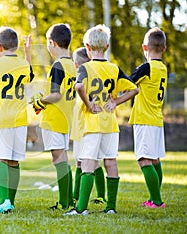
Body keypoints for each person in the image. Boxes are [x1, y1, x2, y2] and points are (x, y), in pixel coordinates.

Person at [64, 24, 139, 216]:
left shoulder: (85, 68)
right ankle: (111, 207)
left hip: (92, 122)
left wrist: (89, 104)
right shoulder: (114, 68)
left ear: (87, 47)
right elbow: (134, 89)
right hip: (110, 124)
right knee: (111, 162)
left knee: (88, 162)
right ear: (106, 47)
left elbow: (79, 86)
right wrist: (116, 102)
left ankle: (81, 209)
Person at [0, 26, 34, 213]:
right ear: (16, 47)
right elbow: (30, 75)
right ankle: (9, 200)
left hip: (0, 119)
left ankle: (4, 201)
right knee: (14, 161)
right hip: (19, 120)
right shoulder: (24, 65)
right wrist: (28, 53)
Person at [32, 23, 76, 210]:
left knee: (59, 160)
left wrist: (39, 103)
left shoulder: (58, 65)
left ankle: (64, 202)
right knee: (63, 159)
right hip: (65, 118)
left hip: (54, 119)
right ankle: (69, 199)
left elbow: (56, 95)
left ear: (52, 43)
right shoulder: (72, 65)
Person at [128, 27, 167, 208]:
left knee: (144, 160)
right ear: (164, 49)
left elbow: (128, 82)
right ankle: (153, 198)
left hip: (144, 119)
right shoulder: (163, 68)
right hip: (157, 119)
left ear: (145, 47)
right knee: (154, 160)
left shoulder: (147, 67)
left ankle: (157, 201)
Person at [71, 47, 106, 205]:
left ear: (77, 65)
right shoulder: (94, 77)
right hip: (90, 126)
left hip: (85, 127)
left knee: (84, 161)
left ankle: (78, 195)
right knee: (92, 161)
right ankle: (96, 195)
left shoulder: (83, 81)